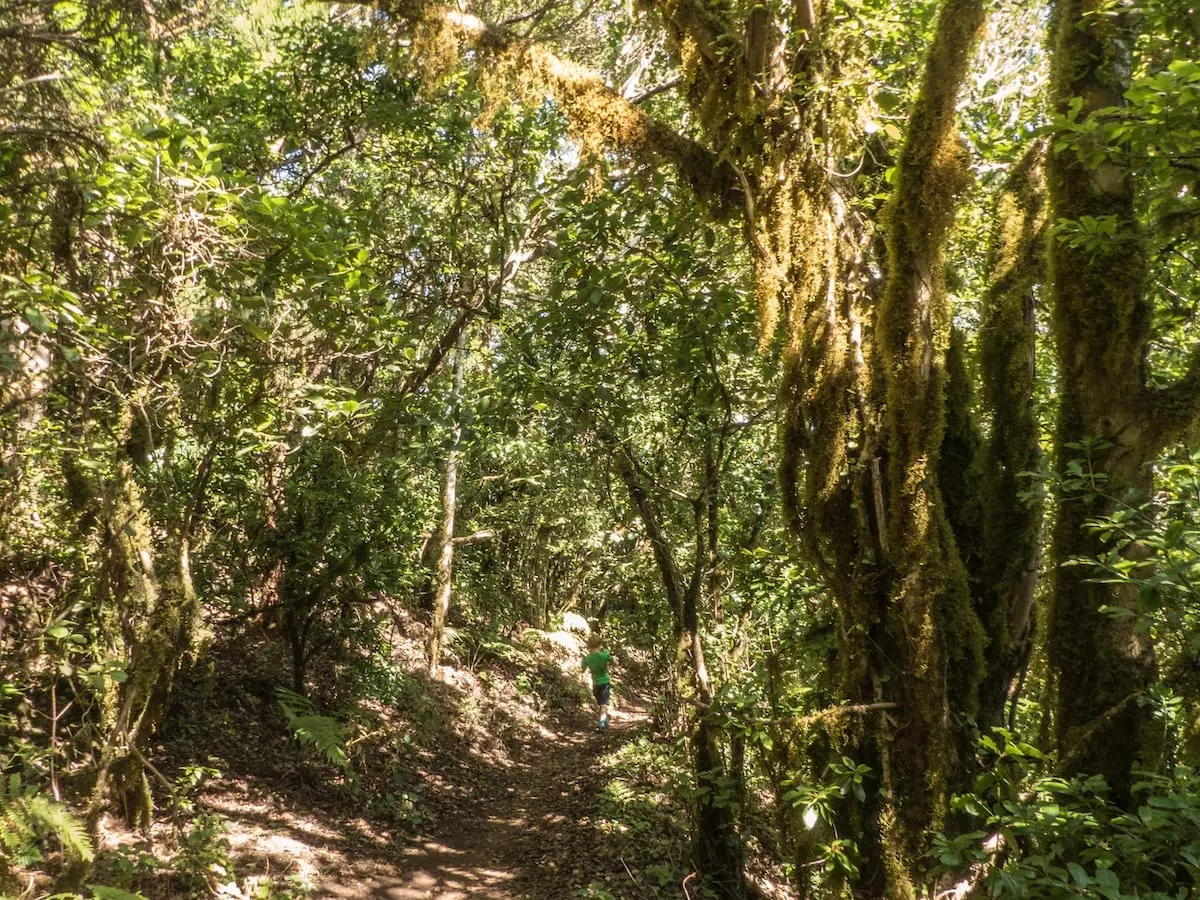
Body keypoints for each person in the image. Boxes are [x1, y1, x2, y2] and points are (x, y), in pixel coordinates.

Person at [581, 634, 614, 730]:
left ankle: (604, 719)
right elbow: (614, 661)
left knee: (600, 703)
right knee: (604, 704)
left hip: (595, 683)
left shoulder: (587, 658)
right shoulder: (604, 655)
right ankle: (602, 724)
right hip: (605, 682)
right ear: (600, 645)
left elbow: (583, 669)